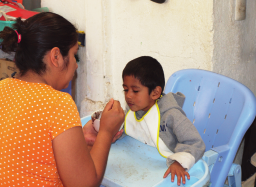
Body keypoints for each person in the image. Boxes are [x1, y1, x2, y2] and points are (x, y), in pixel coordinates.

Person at [0, 12, 124, 187]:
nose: (76, 64)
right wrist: (106, 131)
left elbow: (34, 148)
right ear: (56, 57)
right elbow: (84, 183)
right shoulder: (58, 103)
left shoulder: (3, 87)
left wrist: (80, 137)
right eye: (74, 55)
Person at [122, 56, 206, 185]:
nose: (128, 96)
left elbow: (195, 143)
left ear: (155, 93)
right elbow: (124, 130)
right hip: (139, 168)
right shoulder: (132, 109)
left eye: (135, 90)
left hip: (164, 170)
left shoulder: (171, 115)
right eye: (125, 89)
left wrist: (179, 162)